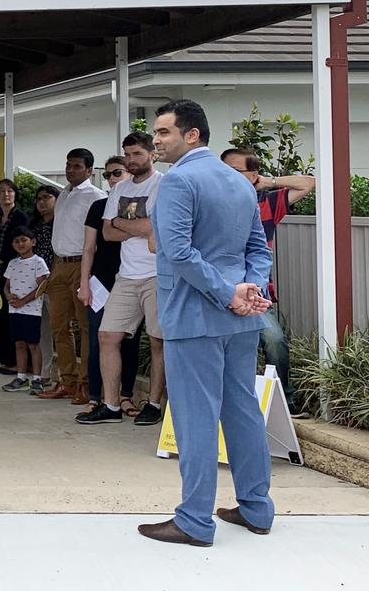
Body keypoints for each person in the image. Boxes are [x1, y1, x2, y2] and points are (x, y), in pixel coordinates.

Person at [138, 98, 274, 547]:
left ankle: (195, 520)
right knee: (242, 410)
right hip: (240, 319)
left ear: (192, 134)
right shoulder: (239, 183)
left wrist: (228, 293)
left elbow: (177, 253)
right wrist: (249, 289)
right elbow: (259, 249)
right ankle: (257, 509)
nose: (155, 141)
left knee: (196, 418)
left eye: (163, 133)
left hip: (195, 315)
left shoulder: (178, 182)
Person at [220, 148, 316, 418]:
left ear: (252, 175)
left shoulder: (267, 203)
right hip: (217, 292)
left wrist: (269, 182)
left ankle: (285, 401)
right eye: (224, 169)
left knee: (274, 340)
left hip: (256, 294)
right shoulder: (211, 202)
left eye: (235, 171)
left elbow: (309, 183)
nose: (227, 176)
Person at [79, 133, 165, 426]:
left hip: (157, 273)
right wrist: (136, 227)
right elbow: (107, 233)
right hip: (126, 275)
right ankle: (111, 405)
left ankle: (153, 404)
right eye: (127, 155)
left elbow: (154, 226)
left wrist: (122, 222)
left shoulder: (164, 185)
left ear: (152, 153)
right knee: (107, 336)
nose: (131, 160)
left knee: (158, 341)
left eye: (137, 154)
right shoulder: (119, 189)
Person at [74, 157, 141, 417]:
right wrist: (84, 284)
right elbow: (89, 247)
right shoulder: (98, 206)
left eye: (117, 173)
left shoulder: (137, 205)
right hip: (100, 282)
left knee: (129, 342)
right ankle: (96, 396)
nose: (112, 179)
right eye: (109, 175)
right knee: (98, 339)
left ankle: (125, 396)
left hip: (132, 278)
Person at [38, 149, 104, 404]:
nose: (70, 170)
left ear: (89, 170)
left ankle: (85, 384)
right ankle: (67, 381)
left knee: (84, 328)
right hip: (59, 264)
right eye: (68, 165)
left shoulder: (96, 196)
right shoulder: (63, 193)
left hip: (81, 265)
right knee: (59, 327)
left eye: (77, 166)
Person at [0, 178, 29, 372]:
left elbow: (19, 244)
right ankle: (1, 357)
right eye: (2, 191)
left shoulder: (20, 216)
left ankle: (14, 361)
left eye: (10, 191)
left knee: (12, 316)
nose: (6, 194)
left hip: (14, 271)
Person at [1, 227, 50, 392]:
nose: (20, 244)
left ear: (33, 242)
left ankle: (37, 379)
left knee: (33, 344)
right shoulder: (13, 263)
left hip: (31, 311)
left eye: (24, 240)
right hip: (14, 310)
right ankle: (21, 376)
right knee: (19, 343)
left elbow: (42, 286)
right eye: (16, 241)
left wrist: (23, 301)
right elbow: (6, 285)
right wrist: (8, 296)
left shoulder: (38, 262)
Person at [29, 185, 59, 389]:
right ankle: (45, 372)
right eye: (38, 198)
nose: (42, 202)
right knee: (42, 331)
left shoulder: (62, 224)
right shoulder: (34, 226)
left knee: (60, 329)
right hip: (35, 285)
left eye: (47, 198)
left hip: (57, 281)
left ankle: (64, 376)